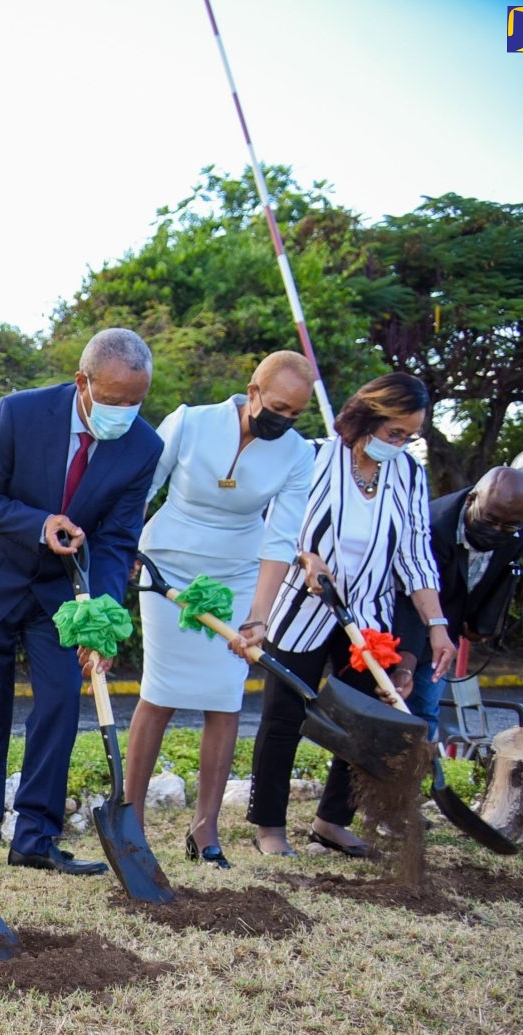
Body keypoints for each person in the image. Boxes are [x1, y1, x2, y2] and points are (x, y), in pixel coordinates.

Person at [0, 329, 163, 875]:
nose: (124, 413)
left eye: (135, 402)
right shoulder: (18, 414)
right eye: (114, 400)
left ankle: (36, 838)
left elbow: (118, 540)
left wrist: (102, 622)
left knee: (61, 704)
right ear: (82, 382)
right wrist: (38, 523)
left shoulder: (144, 446)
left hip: (64, 593)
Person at [120, 353, 318, 869]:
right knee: (159, 692)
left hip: (236, 574)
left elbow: (279, 538)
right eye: (277, 407)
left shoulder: (298, 456)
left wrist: (259, 615)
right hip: (167, 568)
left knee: (224, 699)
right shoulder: (190, 420)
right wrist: (124, 551)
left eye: (296, 414)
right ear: (252, 390)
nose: (284, 420)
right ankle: (132, 819)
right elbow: (142, 488)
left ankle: (205, 829)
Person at [246, 373, 456, 857]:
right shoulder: (313, 457)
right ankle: (269, 828)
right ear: (367, 418)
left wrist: (437, 625)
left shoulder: (408, 474)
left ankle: (331, 821)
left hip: (366, 615)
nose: (400, 444)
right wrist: (305, 557)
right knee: (283, 716)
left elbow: (415, 555)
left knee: (366, 719)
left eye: (410, 436)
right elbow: (272, 526)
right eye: (394, 433)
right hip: (301, 607)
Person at [392, 465, 523, 735]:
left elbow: (505, 565)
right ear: (473, 499)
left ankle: (420, 772)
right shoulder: (434, 527)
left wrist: (481, 620)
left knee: (425, 714)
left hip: (449, 630)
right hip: (407, 622)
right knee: (394, 707)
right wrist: (407, 663)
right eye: (489, 520)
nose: (497, 529)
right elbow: (412, 595)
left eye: (508, 526)